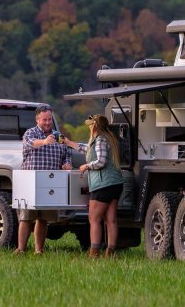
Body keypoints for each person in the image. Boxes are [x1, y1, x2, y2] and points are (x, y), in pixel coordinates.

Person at [64, 114, 124, 258]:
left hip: (103, 185)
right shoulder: (108, 139)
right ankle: (110, 252)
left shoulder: (100, 140)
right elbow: (88, 149)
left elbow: (100, 162)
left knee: (94, 219)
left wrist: (86, 166)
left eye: (90, 125)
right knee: (111, 219)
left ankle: (94, 252)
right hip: (115, 183)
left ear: (95, 126)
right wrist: (69, 143)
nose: (89, 127)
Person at [16, 104, 72, 254]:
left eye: (49, 119)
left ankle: (39, 251)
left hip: (50, 182)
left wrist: (67, 164)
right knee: (26, 217)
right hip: (31, 181)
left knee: (43, 219)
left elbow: (67, 154)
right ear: (37, 119)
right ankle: (21, 249)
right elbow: (31, 144)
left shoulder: (59, 136)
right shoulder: (30, 133)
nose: (48, 122)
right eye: (44, 120)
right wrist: (45, 142)